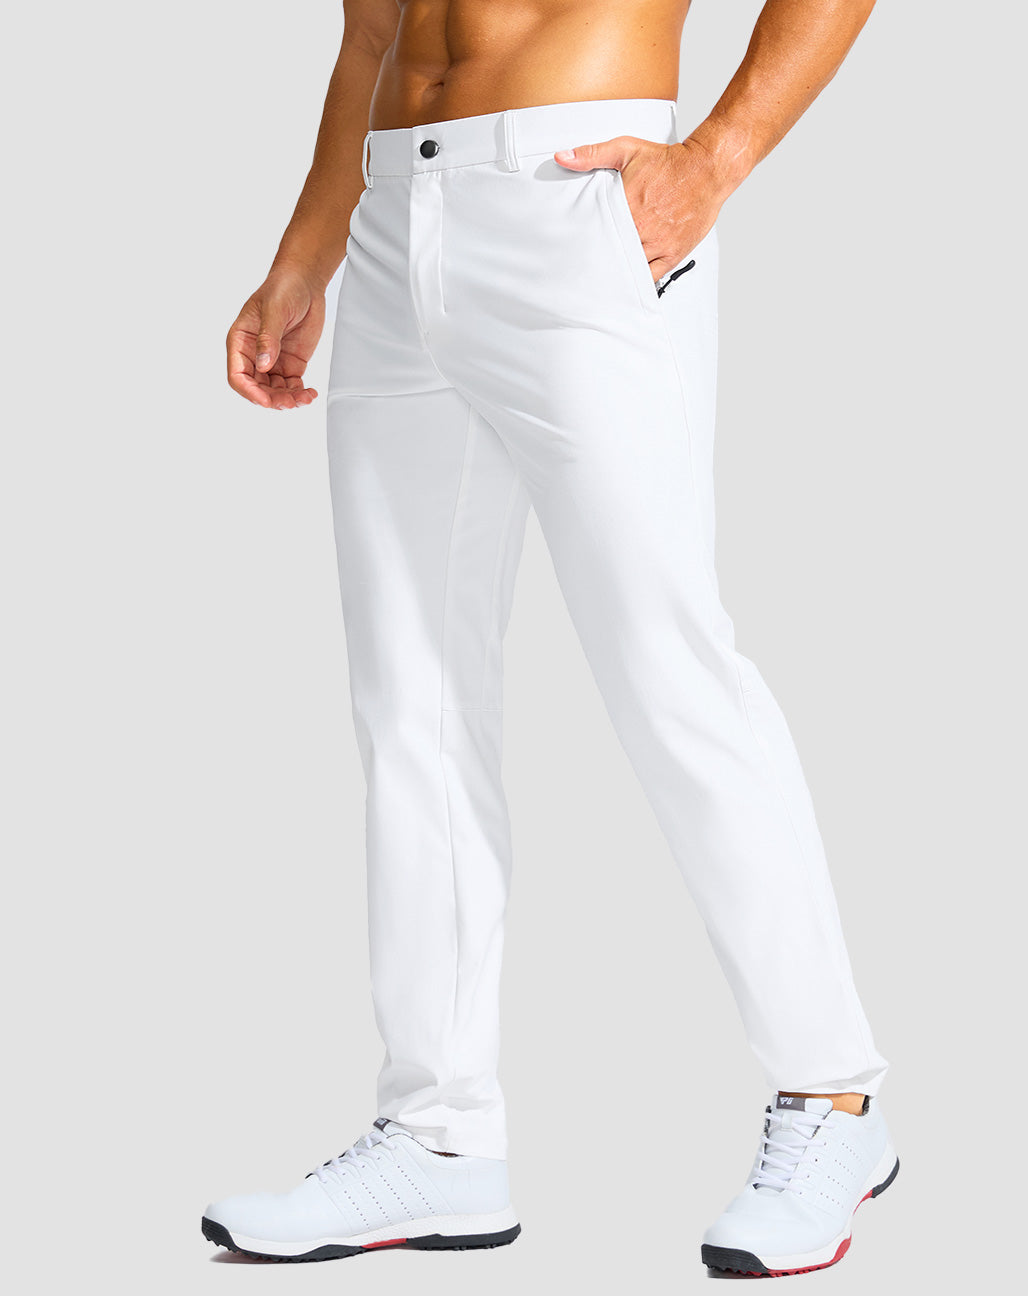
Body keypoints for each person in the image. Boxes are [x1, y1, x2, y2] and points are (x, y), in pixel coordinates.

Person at [204, 0, 896, 1276]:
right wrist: (307, 253)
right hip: (398, 216)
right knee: (410, 703)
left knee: (668, 669)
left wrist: (716, 160)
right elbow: (370, 33)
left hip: (582, 206)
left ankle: (834, 1096)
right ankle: (440, 1134)